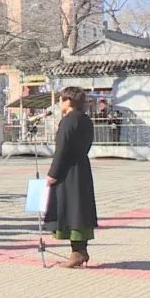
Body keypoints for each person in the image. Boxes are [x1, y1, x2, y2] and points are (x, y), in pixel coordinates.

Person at [45, 86, 98, 268]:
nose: (59, 103)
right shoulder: (85, 120)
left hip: (68, 171)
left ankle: (77, 253)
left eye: (61, 100)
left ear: (68, 101)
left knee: (72, 210)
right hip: (82, 167)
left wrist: (53, 173)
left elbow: (62, 150)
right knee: (80, 209)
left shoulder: (69, 121)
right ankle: (80, 250)